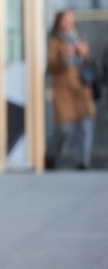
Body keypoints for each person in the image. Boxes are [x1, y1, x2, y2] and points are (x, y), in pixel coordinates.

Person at [45, 10, 95, 170]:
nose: (69, 23)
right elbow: (50, 66)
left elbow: (88, 62)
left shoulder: (80, 37)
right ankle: (51, 156)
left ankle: (83, 162)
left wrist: (83, 52)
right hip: (63, 89)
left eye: (71, 20)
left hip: (81, 88)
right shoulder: (54, 40)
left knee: (85, 126)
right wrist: (64, 56)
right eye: (66, 20)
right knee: (63, 128)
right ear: (59, 22)